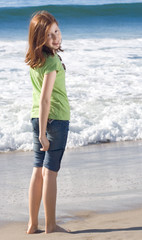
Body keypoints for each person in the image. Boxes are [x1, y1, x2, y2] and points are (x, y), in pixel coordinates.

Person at [25, 11, 70, 234]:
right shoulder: (51, 61)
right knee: (49, 173)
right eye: (49, 34)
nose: (55, 37)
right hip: (55, 120)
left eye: (56, 31)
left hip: (37, 118)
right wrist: (43, 133)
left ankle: (33, 224)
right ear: (39, 38)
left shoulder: (36, 60)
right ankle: (50, 225)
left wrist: (40, 128)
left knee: (37, 170)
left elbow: (39, 101)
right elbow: (45, 99)